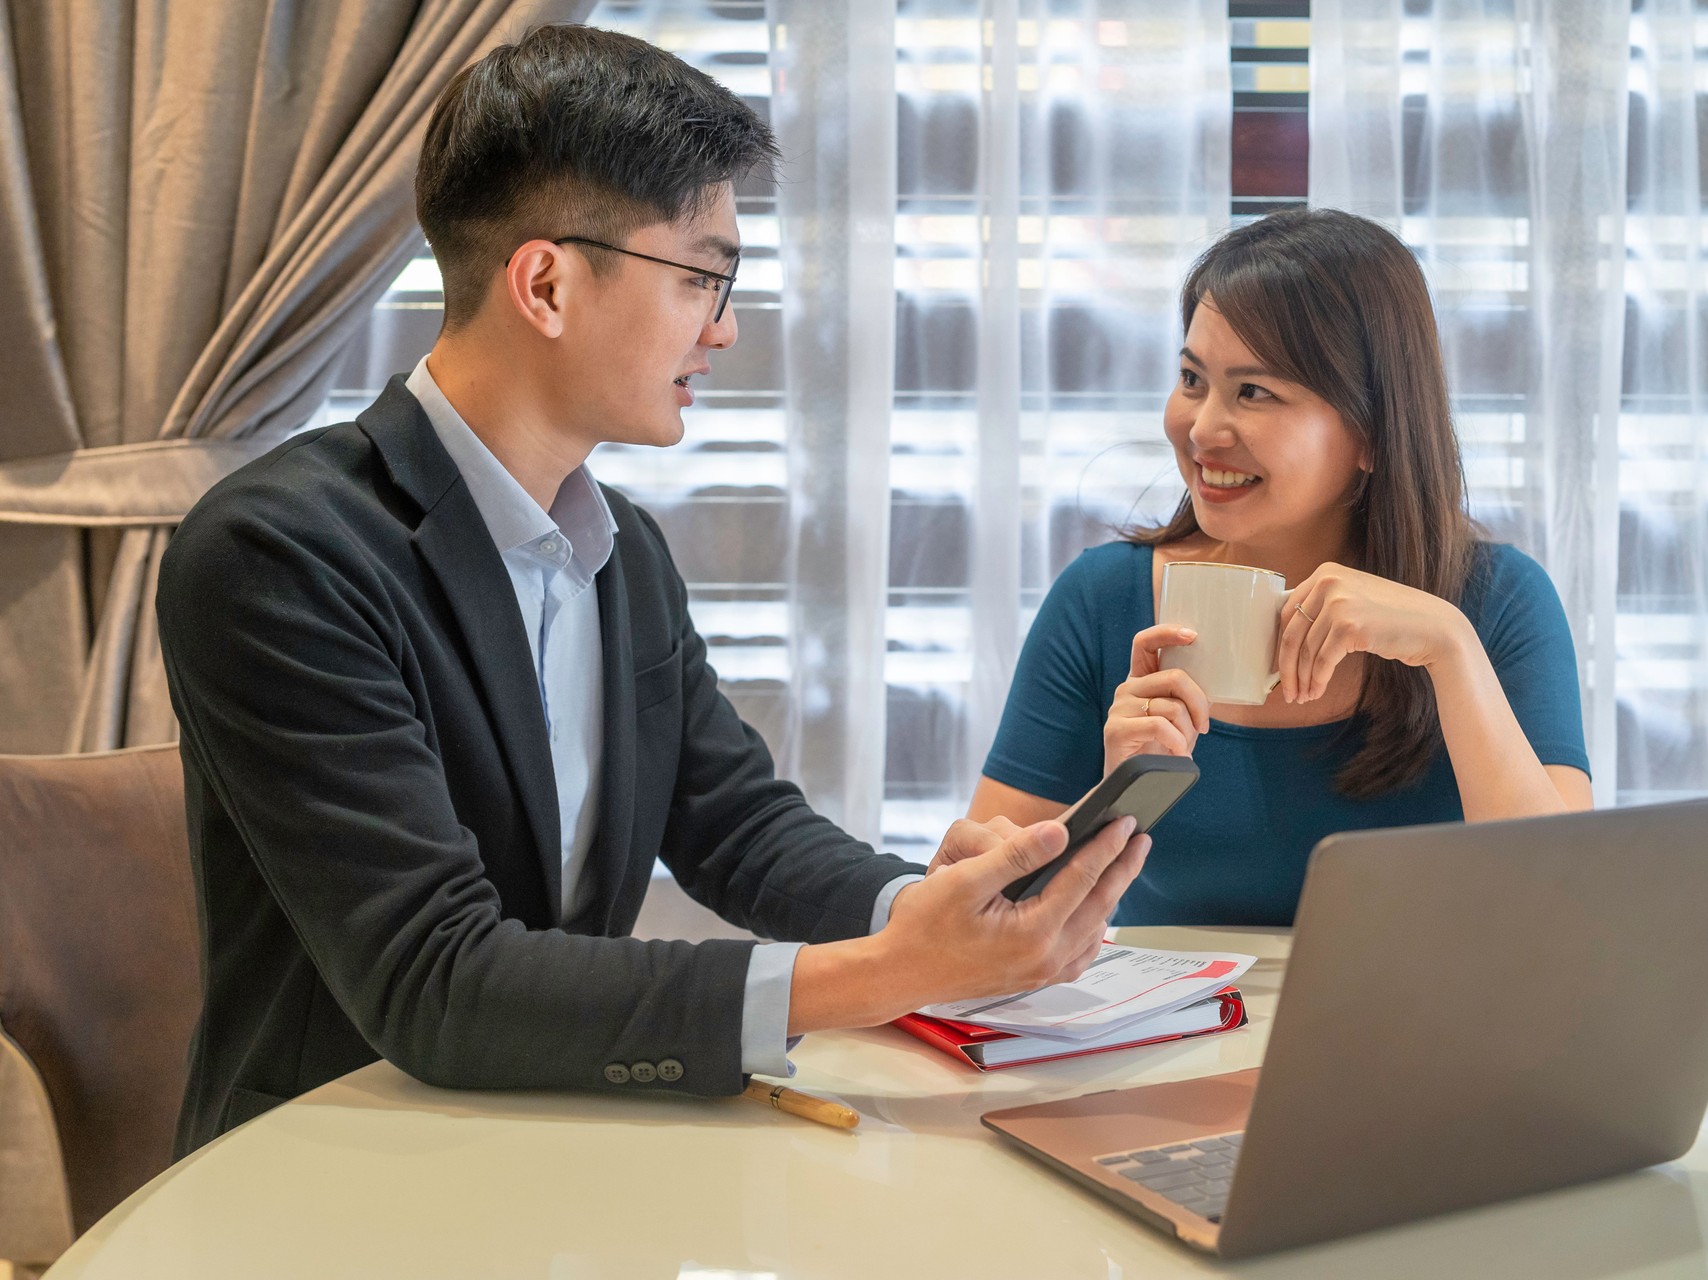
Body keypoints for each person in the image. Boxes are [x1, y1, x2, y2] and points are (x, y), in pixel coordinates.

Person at [158, 24, 1148, 1157]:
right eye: (699, 278)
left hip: (557, 1133)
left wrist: (918, 913)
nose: (724, 327)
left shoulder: (620, 545)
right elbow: (436, 980)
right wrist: (888, 972)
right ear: (546, 283)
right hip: (326, 1168)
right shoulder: (279, 553)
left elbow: (736, 824)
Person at [969, 209, 1591, 926]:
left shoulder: (1498, 601)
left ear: (1372, 432)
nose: (1202, 429)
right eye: (1192, 378)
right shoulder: (1102, 599)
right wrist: (1115, 799)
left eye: (1254, 392)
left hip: (1413, 1003)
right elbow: (977, 912)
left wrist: (1451, 649)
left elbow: (1560, 908)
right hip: (1170, 1005)